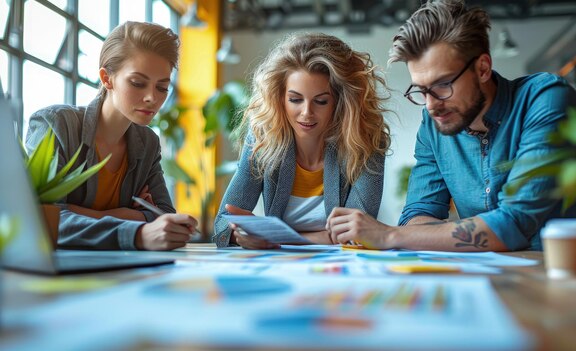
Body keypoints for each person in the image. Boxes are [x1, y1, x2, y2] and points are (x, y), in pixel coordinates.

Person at [326, 0, 576, 252]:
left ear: (483, 68)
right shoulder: (433, 124)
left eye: (443, 85)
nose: (430, 105)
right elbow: (419, 213)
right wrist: (415, 232)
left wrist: (388, 235)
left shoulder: (545, 98)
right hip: (498, 279)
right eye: (421, 90)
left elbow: (515, 222)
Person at [25, 21, 197, 251]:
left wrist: (83, 214)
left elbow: (163, 214)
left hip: (123, 272)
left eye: (162, 87)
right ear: (107, 79)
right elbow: (39, 219)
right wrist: (131, 224)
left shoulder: (147, 143)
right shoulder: (55, 124)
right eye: (138, 83)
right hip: (55, 273)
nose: (151, 98)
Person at [213, 32, 391, 248]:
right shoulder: (263, 138)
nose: (306, 113)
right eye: (295, 99)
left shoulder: (366, 141)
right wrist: (239, 234)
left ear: (341, 102)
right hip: (280, 269)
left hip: (341, 272)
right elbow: (222, 223)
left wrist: (275, 238)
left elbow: (357, 235)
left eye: (321, 101)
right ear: (279, 98)